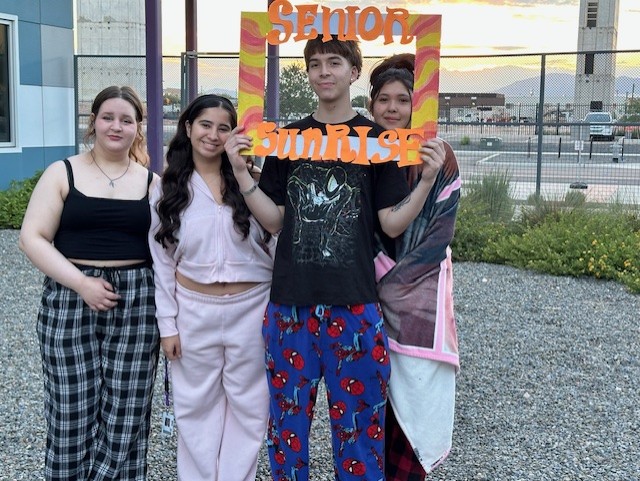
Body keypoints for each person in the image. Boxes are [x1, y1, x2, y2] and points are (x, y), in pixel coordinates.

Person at [225, 37, 446, 481]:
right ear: (307, 74)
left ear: (353, 72)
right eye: (314, 64)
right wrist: (239, 174)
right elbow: (275, 220)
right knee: (287, 433)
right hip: (290, 305)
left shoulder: (378, 140)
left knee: (360, 435)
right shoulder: (288, 138)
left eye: (334, 63)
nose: (323, 71)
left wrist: (424, 182)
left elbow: (391, 223)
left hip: (355, 306)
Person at [18, 85, 160, 481]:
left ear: (138, 128)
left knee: (128, 409)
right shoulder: (62, 172)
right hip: (69, 296)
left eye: (126, 120)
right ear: (93, 122)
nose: (116, 126)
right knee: (70, 408)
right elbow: (32, 237)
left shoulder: (152, 182)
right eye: (108, 117)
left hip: (137, 300)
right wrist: (82, 283)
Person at [148, 94, 275, 481]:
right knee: (194, 406)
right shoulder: (167, 189)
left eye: (224, 127)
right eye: (205, 124)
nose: (213, 135)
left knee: (250, 407)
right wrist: (167, 324)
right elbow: (161, 261)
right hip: (194, 309)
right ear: (188, 128)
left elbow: (276, 239)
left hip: (251, 307)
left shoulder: (251, 181)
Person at [369, 53, 461, 480]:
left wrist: (387, 281)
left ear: (416, 105)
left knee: (411, 423)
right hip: (363, 304)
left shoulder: (439, 157)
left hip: (418, 305)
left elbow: (438, 237)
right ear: (370, 107)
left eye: (402, 100)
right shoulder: (358, 153)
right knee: (367, 415)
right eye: (383, 99)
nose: (392, 108)